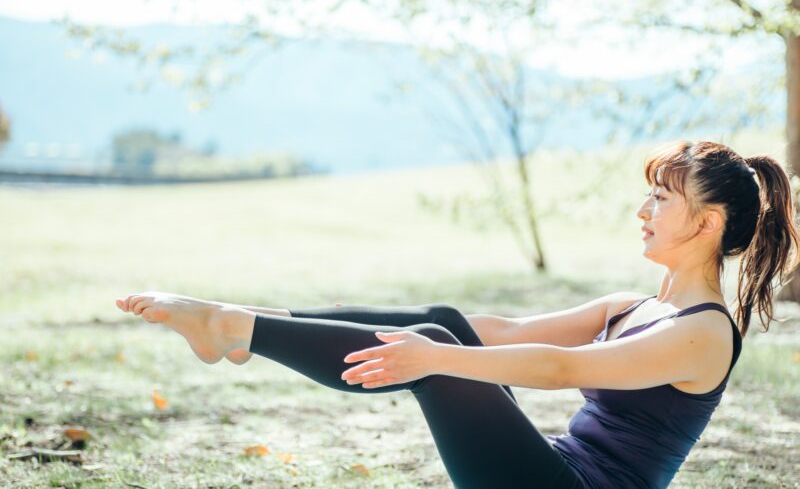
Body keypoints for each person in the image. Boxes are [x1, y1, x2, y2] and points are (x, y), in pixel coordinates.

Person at [114, 140, 799, 489]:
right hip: (556, 470)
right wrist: (417, 337)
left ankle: (238, 329)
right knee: (447, 319)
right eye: (648, 195)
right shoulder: (639, 306)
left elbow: (560, 368)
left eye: (662, 199)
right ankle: (243, 322)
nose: (643, 211)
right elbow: (501, 332)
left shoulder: (704, 332)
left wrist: (436, 357)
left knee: (441, 342)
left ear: (707, 222)